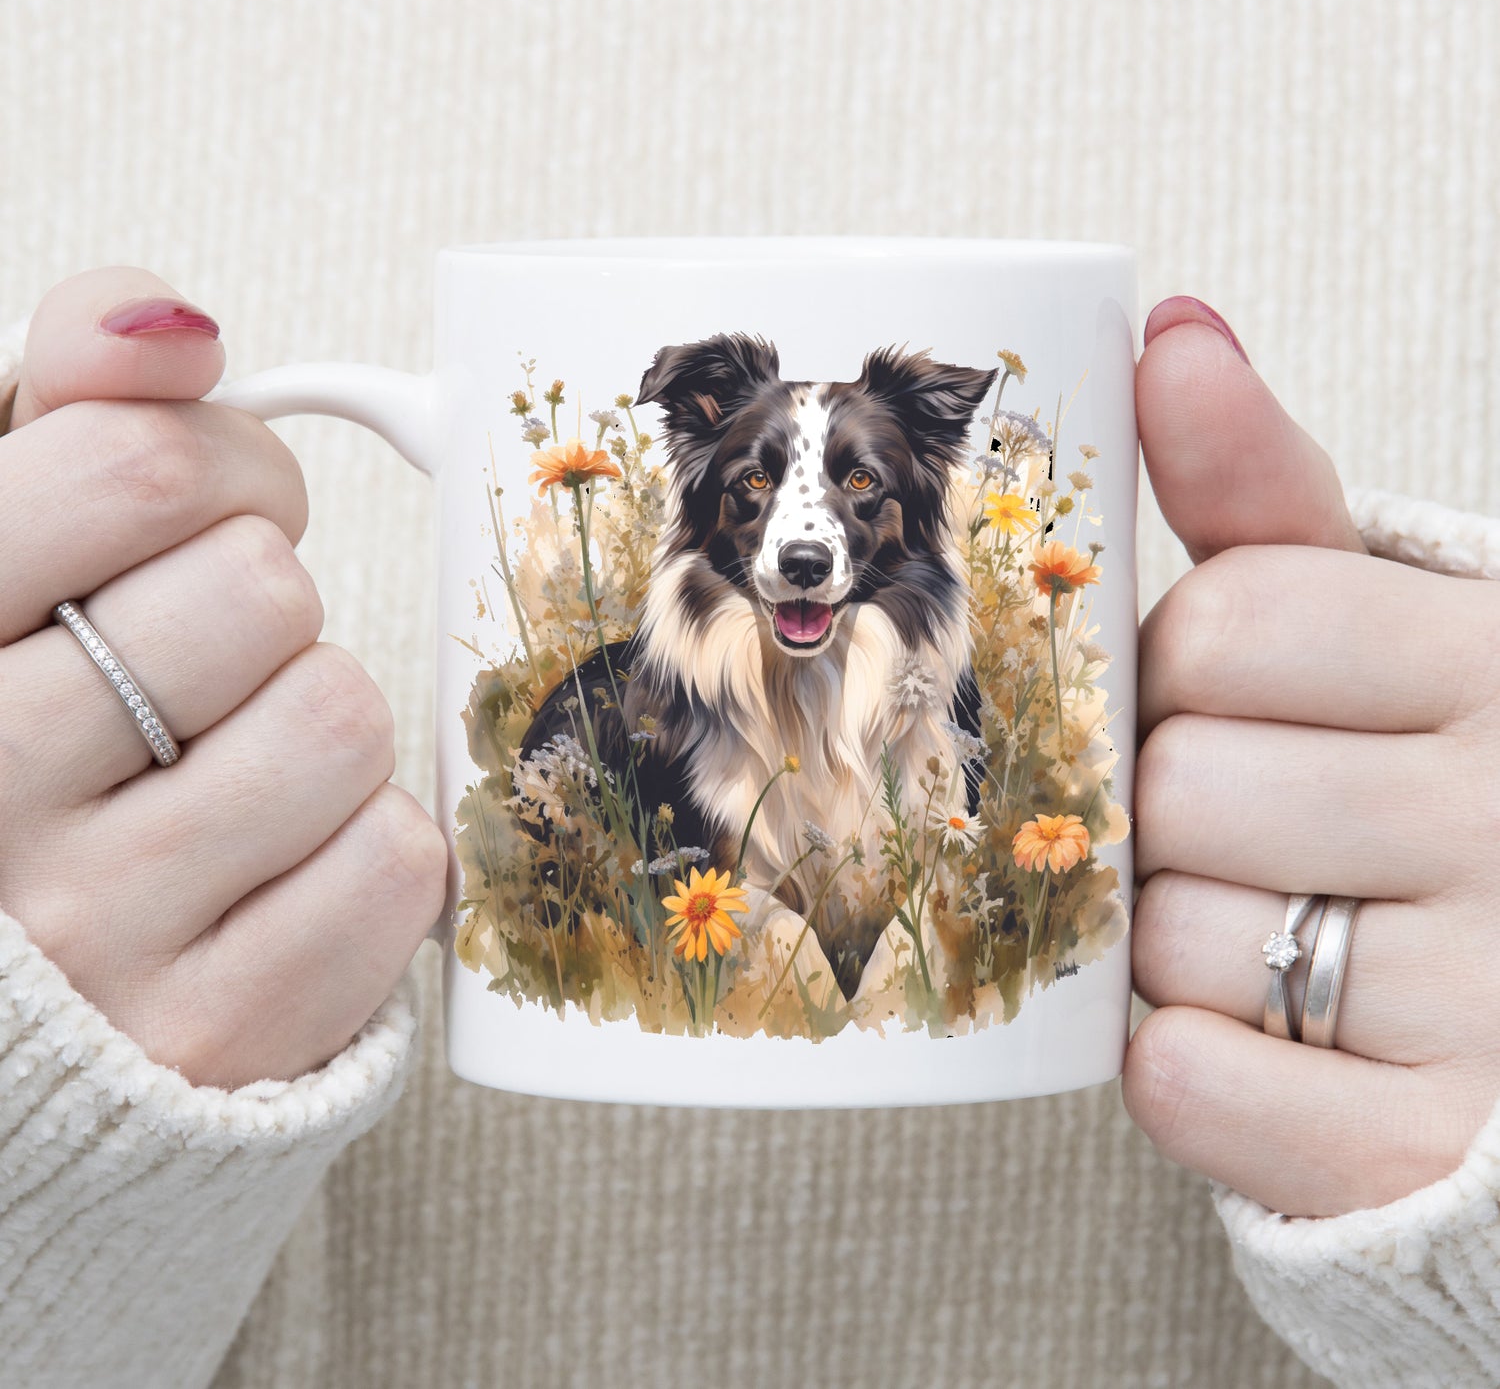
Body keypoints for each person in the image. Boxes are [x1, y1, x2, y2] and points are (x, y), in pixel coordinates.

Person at [1, 269, 1498, 1389]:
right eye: (763, 486)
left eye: (852, 487)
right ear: (704, 479)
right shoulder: (638, 716)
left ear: (912, 493)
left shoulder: (938, 707)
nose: (802, 529)